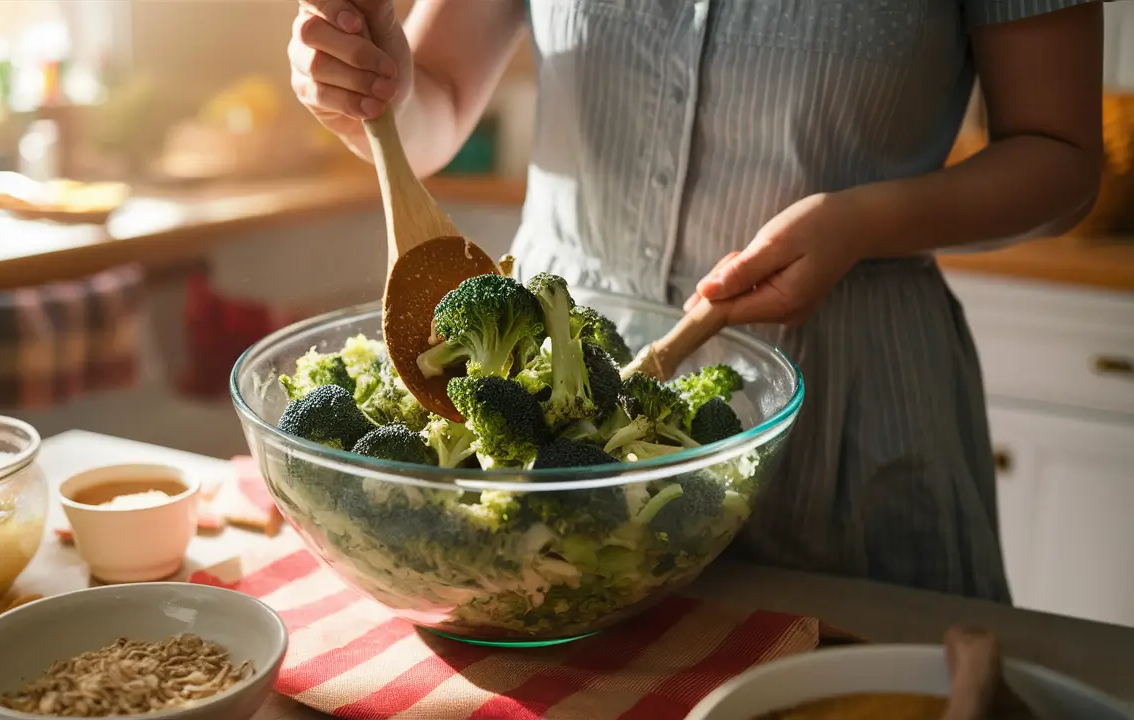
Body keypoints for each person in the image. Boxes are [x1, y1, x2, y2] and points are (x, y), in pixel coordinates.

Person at [287, 0, 1104, 602]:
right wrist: (368, 86)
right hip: (552, 417)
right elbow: (436, 101)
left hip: (847, 409)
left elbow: (1062, 158)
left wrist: (862, 220)